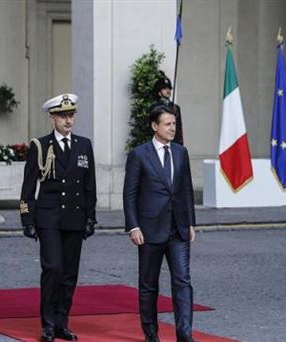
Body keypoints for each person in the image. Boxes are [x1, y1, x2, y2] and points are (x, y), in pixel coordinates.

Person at [20, 94, 97, 342]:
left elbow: (90, 185)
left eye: (71, 115)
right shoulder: (40, 146)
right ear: (52, 117)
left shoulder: (84, 145)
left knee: (69, 274)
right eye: (63, 115)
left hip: (74, 218)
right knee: (53, 268)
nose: (68, 120)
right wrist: (27, 219)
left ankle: (62, 322)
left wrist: (90, 218)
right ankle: (48, 324)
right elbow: (28, 187)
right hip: (49, 218)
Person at [123, 105, 196, 342]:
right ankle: (151, 333)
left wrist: (191, 223)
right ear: (155, 126)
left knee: (183, 280)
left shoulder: (180, 152)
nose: (172, 128)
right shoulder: (139, 154)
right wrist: (133, 226)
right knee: (149, 285)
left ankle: (184, 334)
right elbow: (130, 193)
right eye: (167, 124)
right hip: (149, 229)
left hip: (178, 229)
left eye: (174, 124)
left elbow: (186, 190)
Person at [152, 71, 184, 145]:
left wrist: (180, 145)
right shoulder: (154, 108)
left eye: (169, 88)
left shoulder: (176, 108)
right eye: (165, 88)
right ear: (159, 92)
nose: (168, 90)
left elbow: (179, 130)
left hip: (174, 144)